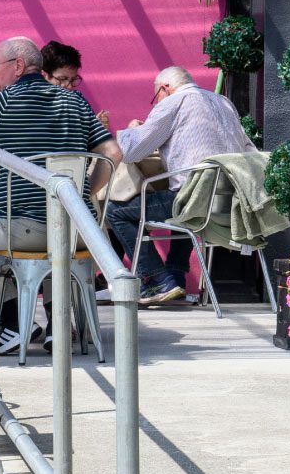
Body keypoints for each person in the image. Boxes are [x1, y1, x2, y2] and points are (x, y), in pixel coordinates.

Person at [0, 36, 122, 354]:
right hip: (81, 229)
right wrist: (81, 194)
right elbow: (113, 153)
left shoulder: (3, 101)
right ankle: (49, 325)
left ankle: (11, 324)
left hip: (28, 228)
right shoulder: (76, 101)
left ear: (18, 66)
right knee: (49, 247)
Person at [107, 66, 260, 305]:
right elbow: (249, 150)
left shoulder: (174, 102)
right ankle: (176, 277)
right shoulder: (224, 103)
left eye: (155, 98)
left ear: (164, 89)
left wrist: (132, 130)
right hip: (230, 200)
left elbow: (132, 151)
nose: (156, 104)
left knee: (116, 211)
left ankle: (157, 279)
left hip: (195, 200)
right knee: (185, 206)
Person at [41, 40, 109, 129]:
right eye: (62, 79)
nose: (69, 86)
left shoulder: (79, 100)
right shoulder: (32, 104)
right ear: (44, 75)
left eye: (73, 80)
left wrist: (96, 128)